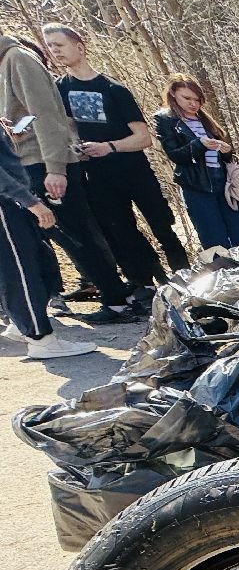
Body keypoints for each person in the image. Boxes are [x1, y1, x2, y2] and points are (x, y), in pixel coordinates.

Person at [43, 23, 188, 293]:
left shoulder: (113, 89)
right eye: (50, 46)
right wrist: (76, 148)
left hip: (134, 171)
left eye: (59, 45)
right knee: (121, 232)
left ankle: (185, 280)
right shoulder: (58, 90)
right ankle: (147, 286)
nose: (55, 51)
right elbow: (67, 128)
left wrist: (109, 147)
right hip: (96, 177)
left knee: (162, 226)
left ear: (79, 47)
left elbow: (143, 137)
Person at [0, 32, 134, 323]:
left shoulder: (18, 59)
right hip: (28, 163)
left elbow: (45, 115)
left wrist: (55, 169)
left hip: (46, 163)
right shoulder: (5, 63)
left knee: (77, 233)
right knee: (58, 235)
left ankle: (117, 302)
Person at [0, 129, 94, 357]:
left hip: (15, 200)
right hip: (6, 203)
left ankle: (22, 325)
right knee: (20, 273)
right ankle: (41, 340)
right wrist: (31, 202)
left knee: (42, 263)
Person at [154, 75, 239, 250]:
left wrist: (226, 151)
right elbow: (175, 155)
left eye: (197, 100)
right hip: (197, 185)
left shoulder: (205, 119)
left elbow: (223, 156)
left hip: (224, 183)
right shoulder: (165, 120)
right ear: (173, 94)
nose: (193, 104)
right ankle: (224, 268)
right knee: (215, 240)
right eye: (187, 98)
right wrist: (199, 144)